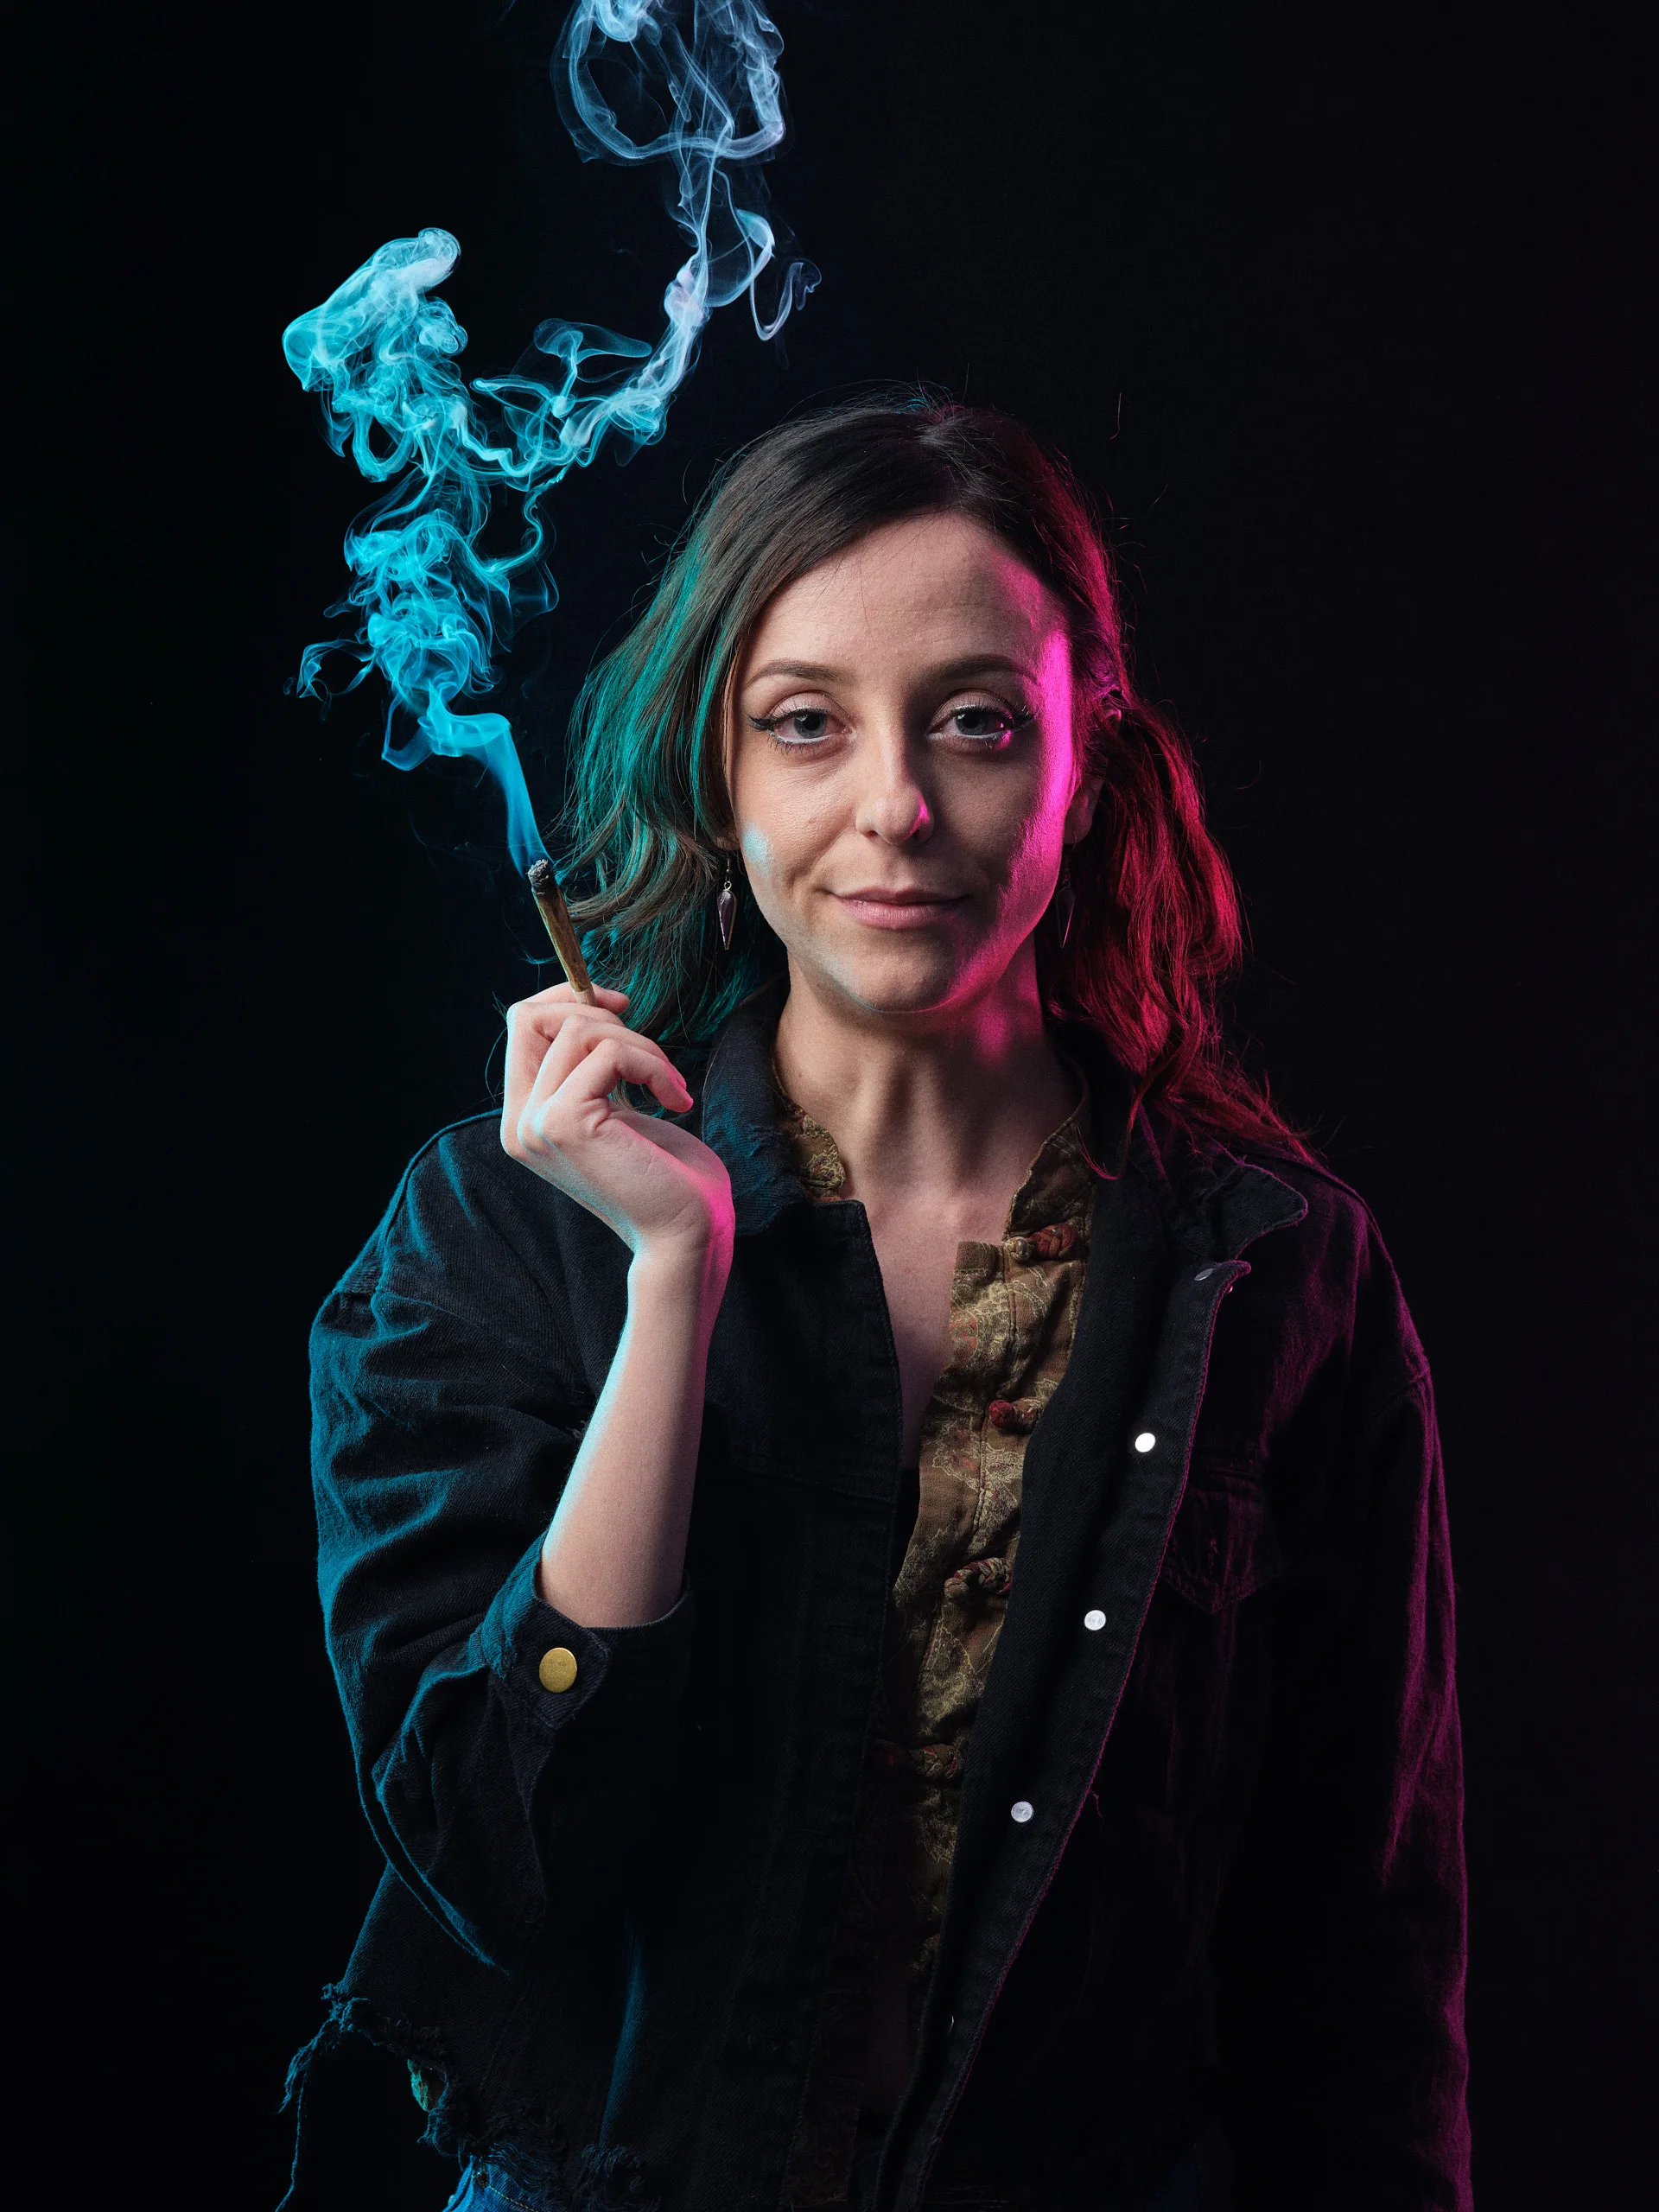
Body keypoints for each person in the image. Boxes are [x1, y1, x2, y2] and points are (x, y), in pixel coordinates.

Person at [293, 397, 1470, 2212]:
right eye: (807, 724)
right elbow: (504, 1862)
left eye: (979, 721)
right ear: (722, 774)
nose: (897, 807)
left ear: (1090, 765)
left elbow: (1354, 1970)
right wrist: (676, 1277)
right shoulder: (496, 1231)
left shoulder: (1281, 1278)